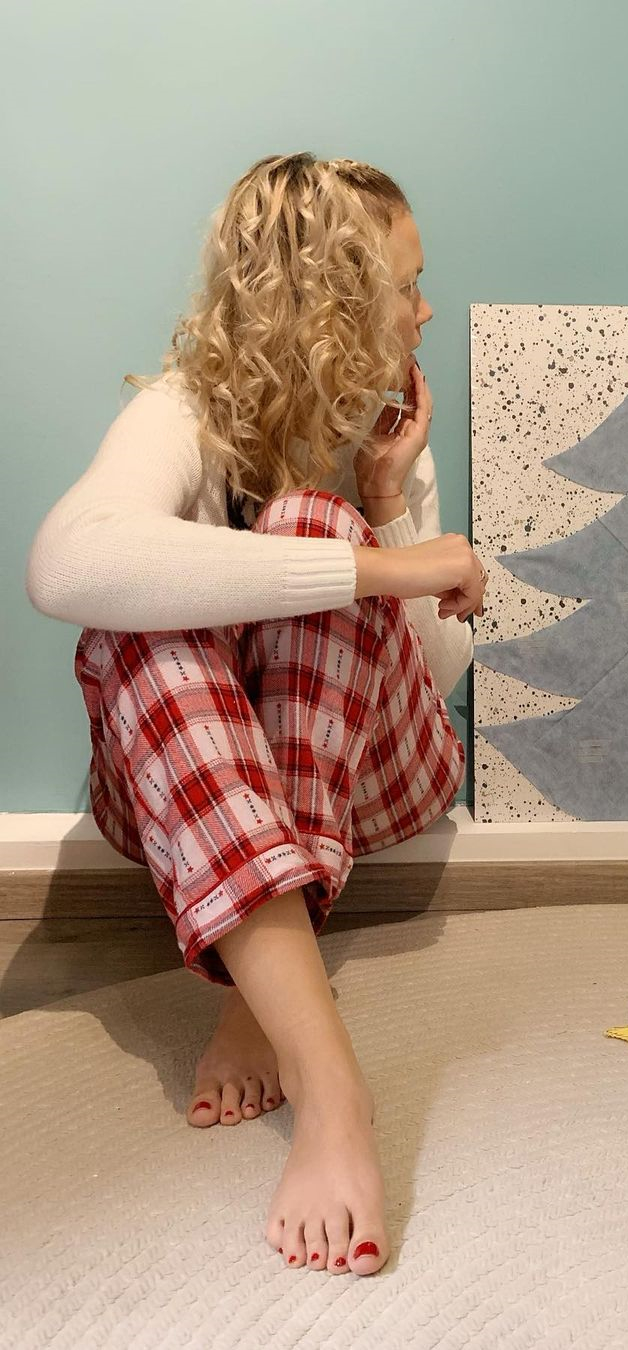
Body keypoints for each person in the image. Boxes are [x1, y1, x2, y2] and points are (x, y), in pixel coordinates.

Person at [25, 152, 488, 1278]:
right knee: (139, 618)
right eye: (408, 285)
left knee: (312, 522)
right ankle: (331, 1084)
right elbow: (64, 565)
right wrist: (383, 568)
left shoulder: (385, 429)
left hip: (376, 782)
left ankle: (261, 986)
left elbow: (433, 677)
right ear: (335, 296)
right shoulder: (185, 410)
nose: (426, 310)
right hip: (179, 793)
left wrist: (383, 506)